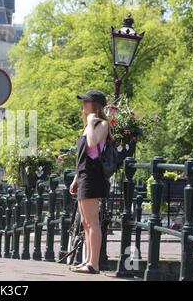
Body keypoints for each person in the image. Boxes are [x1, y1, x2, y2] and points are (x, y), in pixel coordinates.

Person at [69, 90, 111, 275]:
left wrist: (92, 121)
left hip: (93, 177)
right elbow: (82, 156)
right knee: (85, 222)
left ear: (96, 105)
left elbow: (93, 144)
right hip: (84, 175)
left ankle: (94, 264)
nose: (83, 105)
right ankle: (87, 260)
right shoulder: (87, 126)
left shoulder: (101, 124)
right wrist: (75, 178)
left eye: (87, 102)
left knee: (93, 222)